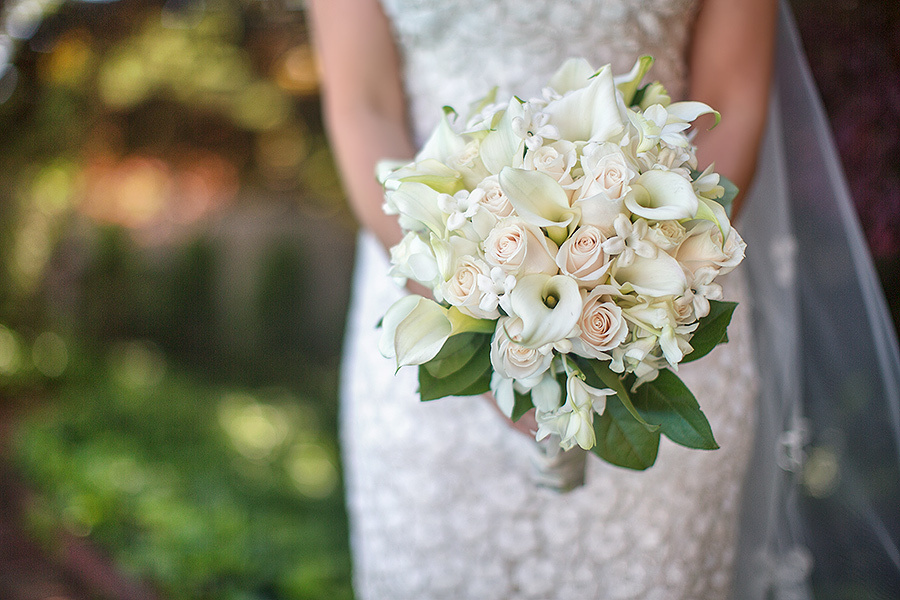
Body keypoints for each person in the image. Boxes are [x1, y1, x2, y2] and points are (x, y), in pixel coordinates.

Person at [306, 1, 900, 598]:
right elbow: (365, 107)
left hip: (659, 306)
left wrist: (649, 269)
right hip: (436, 299)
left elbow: (732, 97)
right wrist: (474, 313)